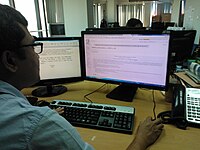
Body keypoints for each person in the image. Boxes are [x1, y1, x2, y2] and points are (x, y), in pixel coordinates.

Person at [0, 4, 164, 150]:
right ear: (10, 60)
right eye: (33, 46)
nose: (38, 55)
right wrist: (141, 140)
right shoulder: (37, 123)